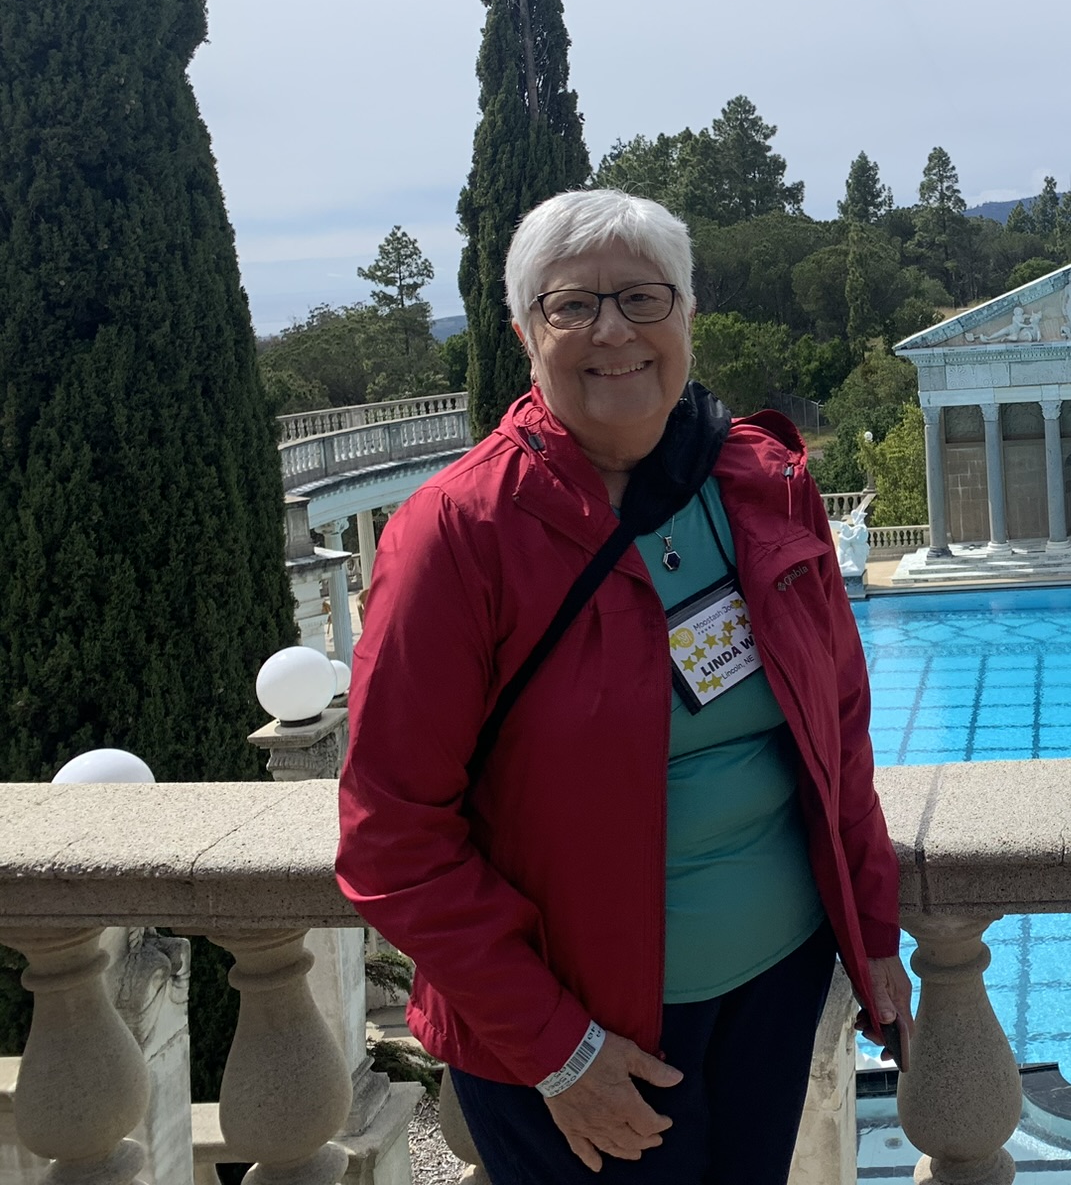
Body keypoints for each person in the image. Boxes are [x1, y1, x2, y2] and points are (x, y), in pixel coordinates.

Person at [337, 189, 909, 1183]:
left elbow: (839, 726)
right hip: (582, 1031)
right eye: (572, 305)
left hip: (774, 986)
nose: (614, 331)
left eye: (644, 298)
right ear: (525, 334)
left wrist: (871, 931)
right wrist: (557, 1049)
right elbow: (391, 839)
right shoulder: (458, 534)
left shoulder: (764, 481)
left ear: (687, 316)